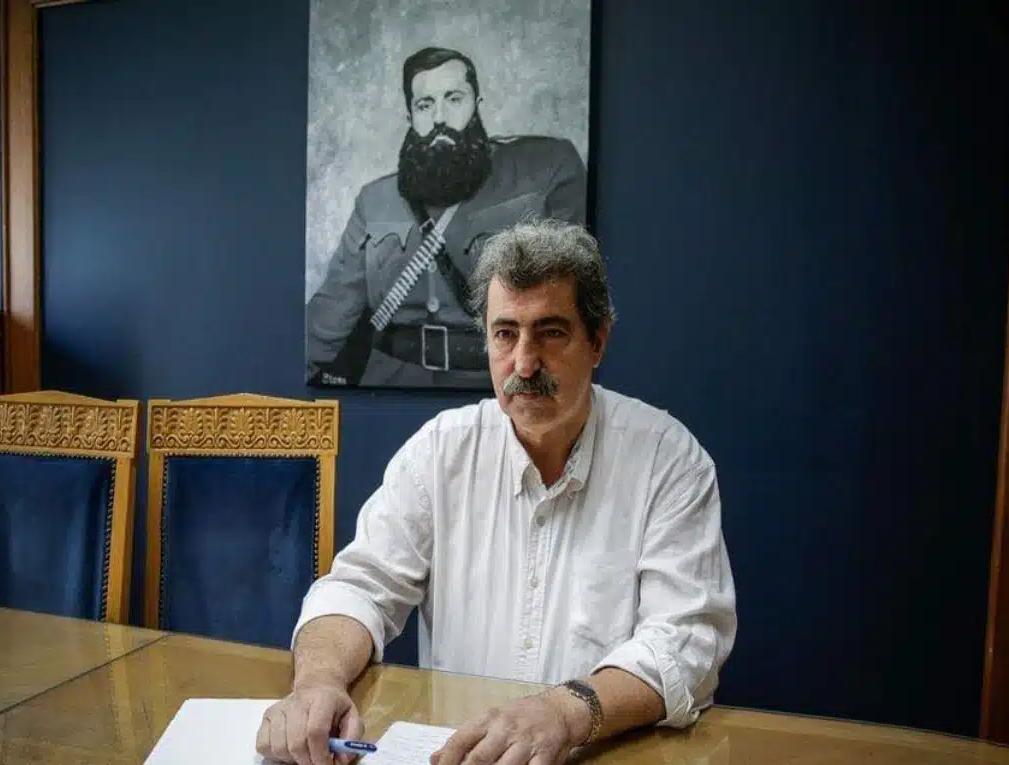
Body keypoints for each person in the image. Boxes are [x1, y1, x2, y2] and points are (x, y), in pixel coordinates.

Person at [264, 218, 737, 765]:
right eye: (505, 334)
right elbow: (359, 588)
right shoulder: (440, 451)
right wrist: (318, 682)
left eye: (551, 332)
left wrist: (565, 712)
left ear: (598, 341)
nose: (524, 363)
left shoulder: (668, 460)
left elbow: (685, 642)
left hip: (602, 753)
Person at [305, 46, 587, 390]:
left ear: (476, 104)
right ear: (410, 116)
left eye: (454, 99)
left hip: (500, 384)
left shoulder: (542, 172)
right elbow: (330, 315)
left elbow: (569, 302)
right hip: (389, 384)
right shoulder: (374, 201)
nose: (440, 118)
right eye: (425, 105)